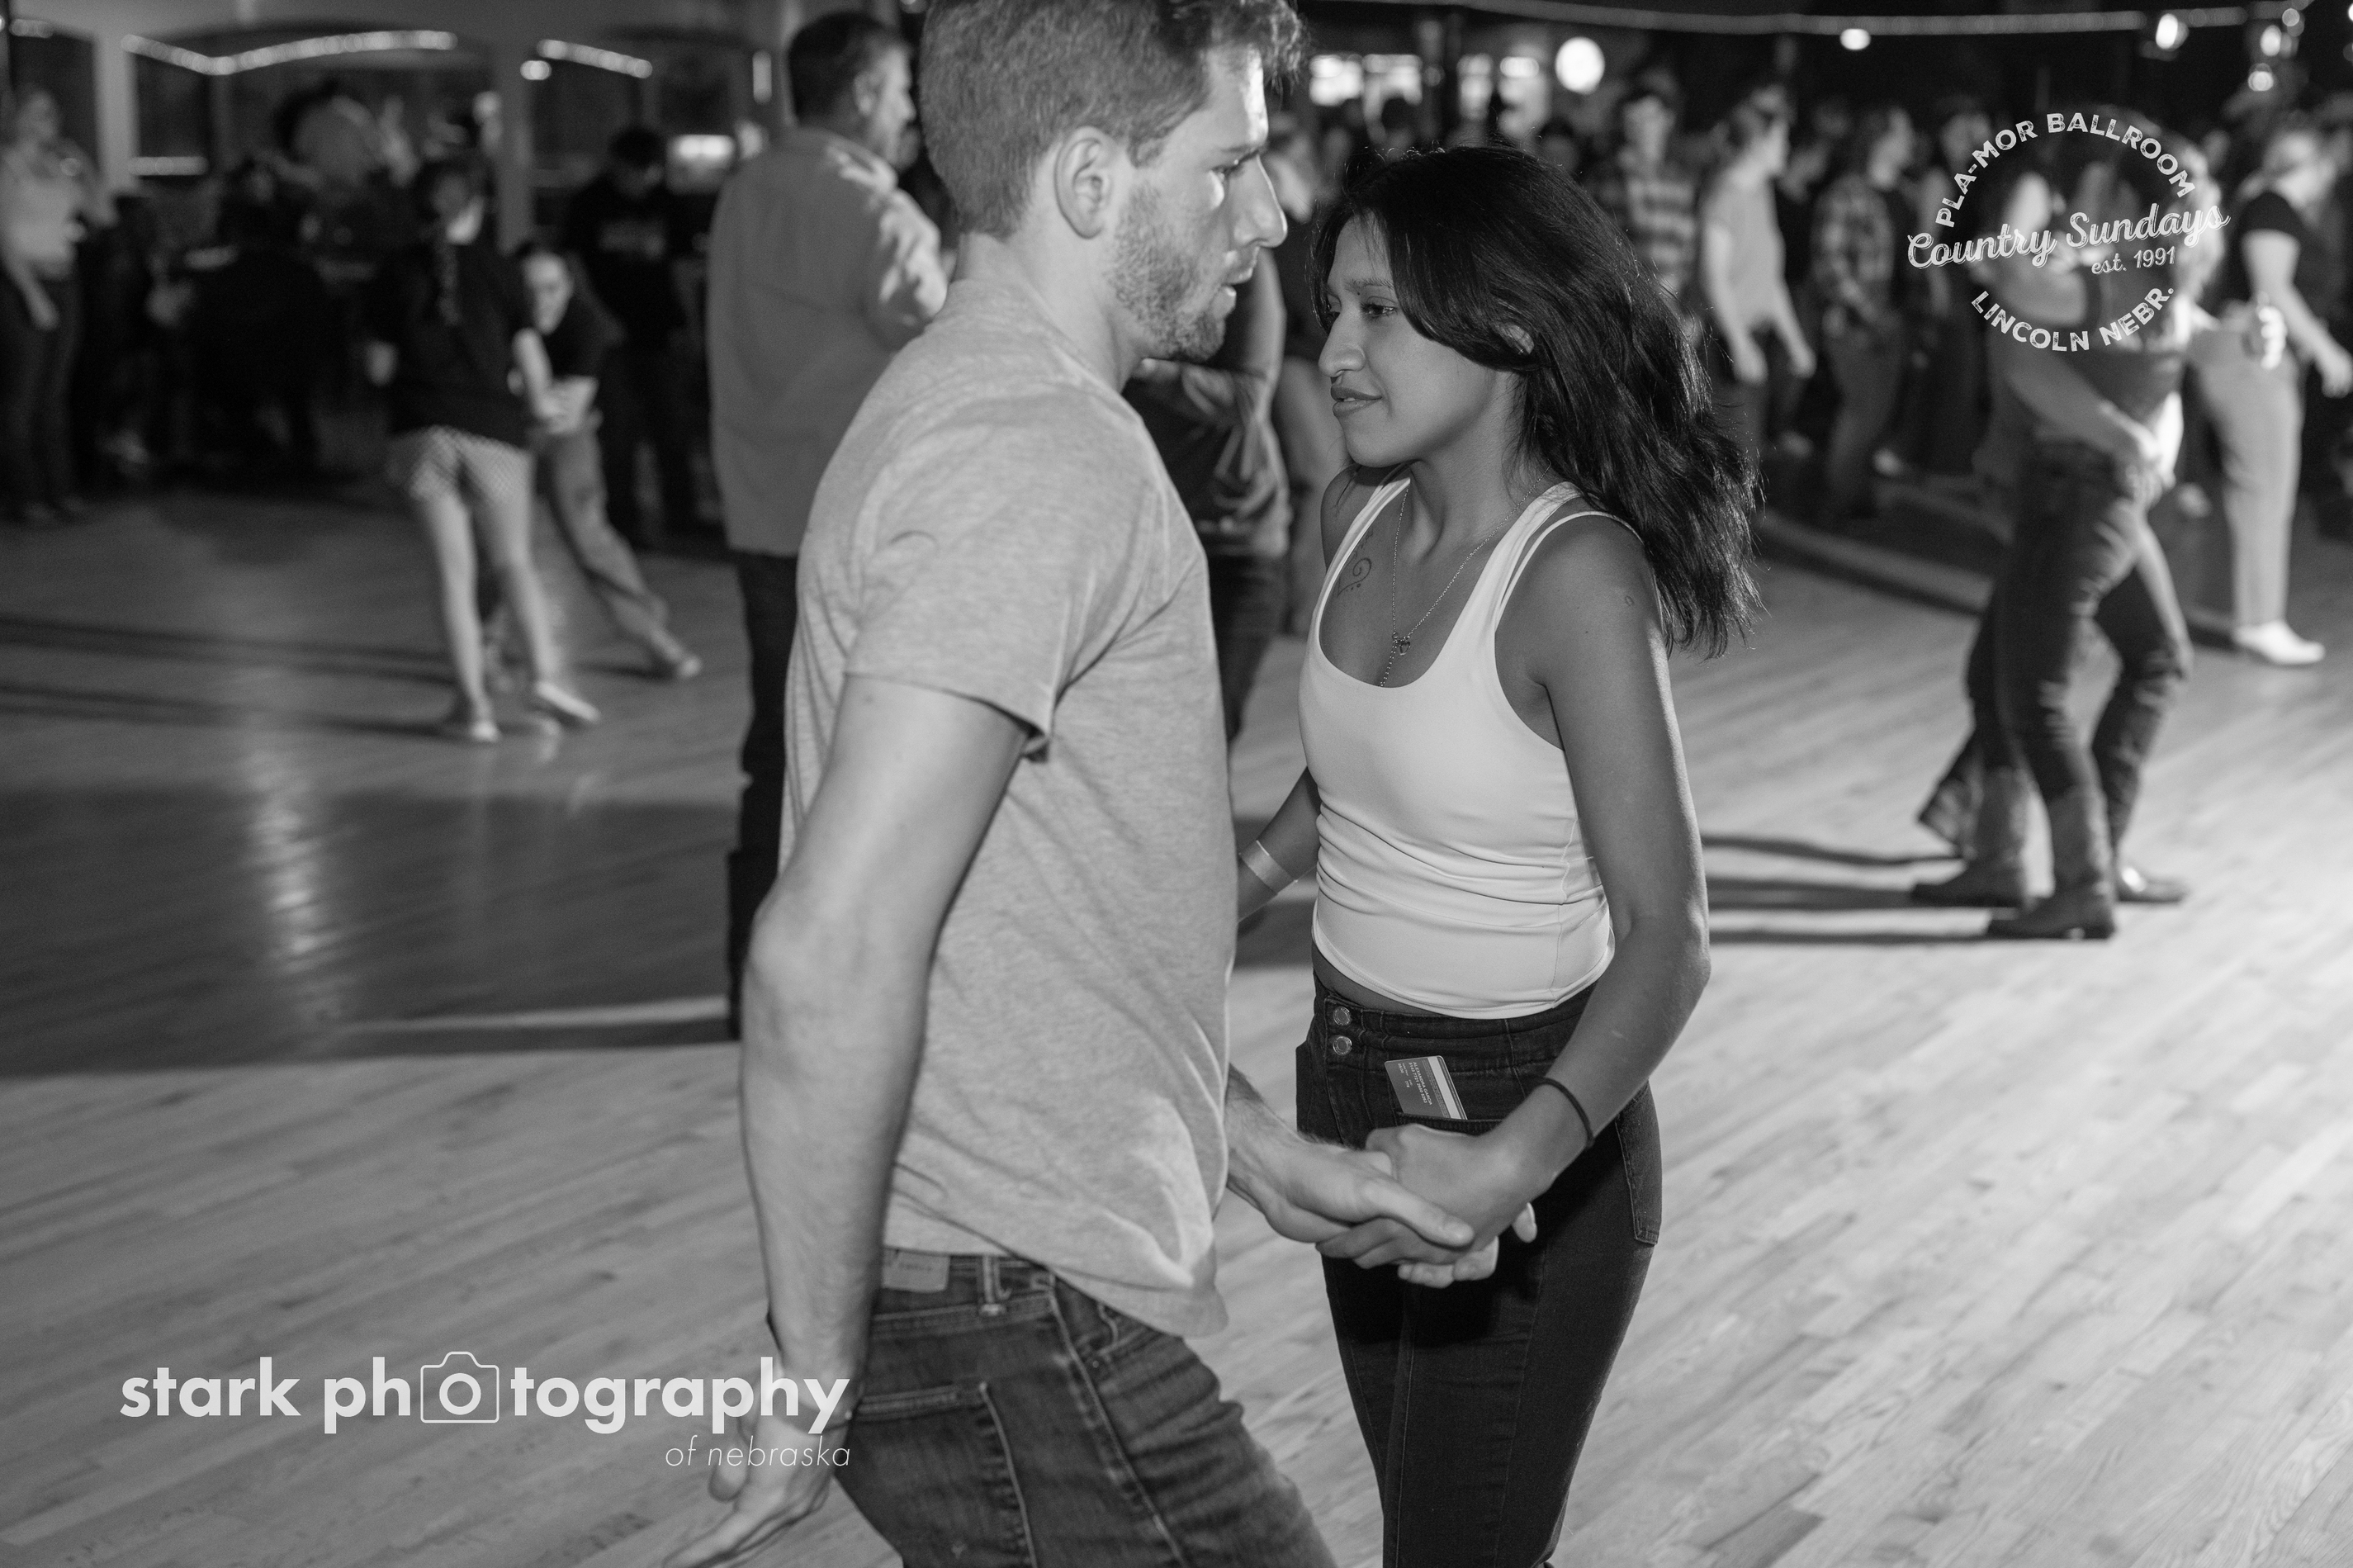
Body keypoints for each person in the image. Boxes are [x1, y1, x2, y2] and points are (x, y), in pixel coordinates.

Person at [663, 5, 1502, 1566]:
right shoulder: (1032, 452)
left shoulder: (993, 412)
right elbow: (826, 954)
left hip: (997, 1301)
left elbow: (1033, 922)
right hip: (1011, 1317)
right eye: (1231, 165)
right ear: (1093, 181)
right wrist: (811, 1373)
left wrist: (1245, 1144)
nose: (1272, 213)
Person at [1235, 144, 1749, 1566]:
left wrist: (1507, 1165)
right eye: (1331, 310)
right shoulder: (1354, 513)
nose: (1335, 352)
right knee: (1426, 1519)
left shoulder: (1574, 574)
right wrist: (1251, 879)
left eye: (1379, 313)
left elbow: (1669, 933)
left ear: (1508, 326)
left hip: (1529, 1112)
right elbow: (1365, 759)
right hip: (1345, 1081)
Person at [706, 9, 947, 1035]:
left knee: (778, 754)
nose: (910, 114)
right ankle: (848, 987)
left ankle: (750, 982)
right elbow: (960, 342)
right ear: (859, 93)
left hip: (760, 511)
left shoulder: (745, 190)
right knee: (873, 763)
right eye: (900, 91)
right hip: (853, 533)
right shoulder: (872, 212)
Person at [1964, 141, 2201, 940]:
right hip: (2084, 491)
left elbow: (2028, 353)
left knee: (2031, 693)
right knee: (2016, 673)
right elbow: (2191, 347)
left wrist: (2009, 242)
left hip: (2075, 495)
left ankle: (2084, 877)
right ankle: (2015, 859)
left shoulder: (2112, 279)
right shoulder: (2143, 277)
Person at [362, 158, 599, 743]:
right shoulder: (501, 270)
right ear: (477, 206)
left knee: (453, 575)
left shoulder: (393, 272)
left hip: (420, 430)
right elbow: (529, 358)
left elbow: (378, 367)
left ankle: (472, 708)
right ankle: (545, 676)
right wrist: (540, 406)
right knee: (513, 560)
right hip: (495, 430)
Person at [498, 242, 702, 682]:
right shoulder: (496, 319)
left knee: (588, 533)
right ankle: (485, 647)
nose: (542, 300)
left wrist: (516, 393)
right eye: (530, 289)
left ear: (570, 286)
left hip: (564, 437)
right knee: (496, 541)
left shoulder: (584, 324)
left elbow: (566, 415)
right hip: (503, 440)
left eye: (553, 287)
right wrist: (534, 398)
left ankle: (653, 636)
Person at [2195, 117, 2342, 666]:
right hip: (2252, 357)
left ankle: (2237, 610)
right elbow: (2272, 288)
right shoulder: (2273, 208)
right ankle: (2259, 621)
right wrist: (2327, 350)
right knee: (2265, 492)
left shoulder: (2268, 206)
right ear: (2317, 165)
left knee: (2255, 489)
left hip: (2257, 358)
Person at [1128, 253, 1290, 739]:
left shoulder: (1244, 263)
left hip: (1239, 541)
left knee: (1211, 728)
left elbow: (1248, 398)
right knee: (1147, 731)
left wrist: (1148, 368)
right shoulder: (1123, 261)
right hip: (1153, 538)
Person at [561, 126, 703, 546]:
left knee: (673, 427)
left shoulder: (668, 203)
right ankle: (623, 520)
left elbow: (681, 268)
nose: (644, 180)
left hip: (661, 331)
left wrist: (690, 324)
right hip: (610, 337)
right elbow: (574, 266)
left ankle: (683, 515)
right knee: (618, 433)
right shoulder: (590, 203)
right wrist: (598, 319)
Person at [0, 88, 109, 526]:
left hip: (65, 279)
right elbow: (3, 239)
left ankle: (60, 490)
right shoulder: (7, 165)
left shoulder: (58, 166)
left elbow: (102, 215)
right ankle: (25, 496)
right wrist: (32, 295)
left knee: (55, 392)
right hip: (23, 282)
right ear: (18, 117)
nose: (49, 119)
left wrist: (86, 167)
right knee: (22, 394)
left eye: (52, 111)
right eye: (39, 112)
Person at [1811, 103, 1915, 528]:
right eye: (1903, 133)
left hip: (1892, 317)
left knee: (1877, 413)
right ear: (1880, 140)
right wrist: (1871, 312)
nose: (1911, 142)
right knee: (1860, 411)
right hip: (1856, 322)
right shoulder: (1847, 193)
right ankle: (1834, 503)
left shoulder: (1902, 195)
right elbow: (1830, 264)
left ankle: (1855, 494)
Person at [1698, 98, 1816, 464]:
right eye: (1780, 138)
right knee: (1736, 455)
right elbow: (1713, 276)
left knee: (1746, 453)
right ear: (1755, 143)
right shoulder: (1725, 196)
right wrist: (1739, 341)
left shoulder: (1760, 193)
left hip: (1751, 336)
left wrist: (1794, 340)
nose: (1787, 147)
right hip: (1722, 340)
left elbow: (1769, 278)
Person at [1590, 77, 1699, 315]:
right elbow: (1604, 248)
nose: (1641, 127)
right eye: (1633, 119)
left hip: (1672, 305)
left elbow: (1687, 249)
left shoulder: (1680, 180)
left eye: (1648, 117)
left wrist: (1688, 307)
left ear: (1667, 120)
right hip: (1628, 305)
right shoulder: (1610, 177)